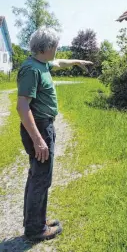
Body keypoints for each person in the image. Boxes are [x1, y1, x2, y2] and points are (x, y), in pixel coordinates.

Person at [16, 27, 93, 241]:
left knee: (38, 177)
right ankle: (35, 230)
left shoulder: (42, 64)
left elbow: (59, 63)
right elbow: (22, 106)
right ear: (47, 47)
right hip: (39, 127)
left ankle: (36, 221)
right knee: (40, 179)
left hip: (43, 126)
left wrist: (78, 61)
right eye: (56, 46)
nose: (57, 50)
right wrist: (39, 139)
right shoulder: (31, 70)